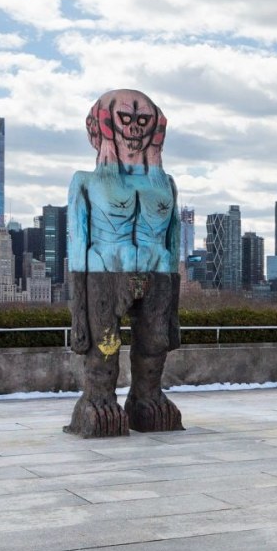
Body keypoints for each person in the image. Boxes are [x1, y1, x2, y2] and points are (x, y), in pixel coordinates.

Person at [64, 88, 184, 437]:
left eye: (141, 120)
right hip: (103, 270)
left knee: (156, 342)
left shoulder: (166, 183)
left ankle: (148, 398)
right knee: (105, 345)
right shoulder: (85, 181)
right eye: (125, 119)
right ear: (104, 122)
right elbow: (77, 242)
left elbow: (173, 239)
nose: (133, 128)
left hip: (158, 270)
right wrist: (79, 307)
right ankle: (98, 399)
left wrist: (174, 297)